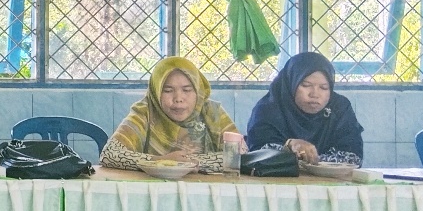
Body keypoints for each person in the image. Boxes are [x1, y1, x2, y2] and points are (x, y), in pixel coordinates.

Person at [101, 57, 239, 173]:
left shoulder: (212, 112)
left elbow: (240, 156)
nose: (178, 98)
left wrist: (192, 163)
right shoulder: (145, 112)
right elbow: (110, 155)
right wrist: (160, 161)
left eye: (187, 90)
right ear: (156, 92)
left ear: (198, 91)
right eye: (167, 90)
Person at [245, 51, 364, 166]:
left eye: (324, 88)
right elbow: (257, 153)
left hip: (329, 182)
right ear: (291, 83)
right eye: (306, 85)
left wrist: (314, 161)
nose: (314, 94)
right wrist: (289, 146)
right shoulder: (268, 110)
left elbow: (353, 156)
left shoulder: (339, 108)